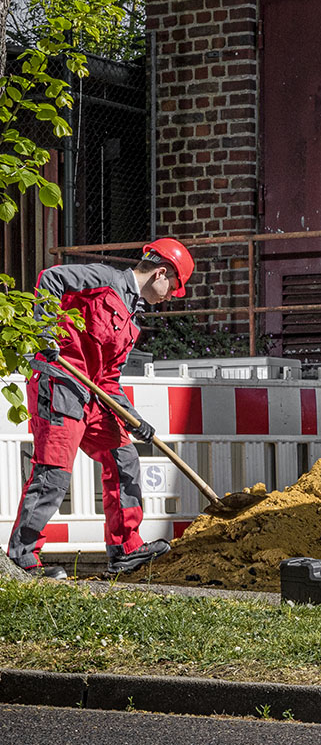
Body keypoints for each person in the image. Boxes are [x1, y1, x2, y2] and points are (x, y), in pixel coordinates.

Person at [7, 238, 195, 579]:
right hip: (60, 382)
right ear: (161, 273)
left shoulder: (131, 318)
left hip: (91, 396)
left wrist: (134, 419)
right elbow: (51, 278)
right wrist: (46, 332)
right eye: (174, 288)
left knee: (124, 458)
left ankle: (126, 549)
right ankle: (22, 557)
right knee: (54, 473)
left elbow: (107, 379)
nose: (170, 297)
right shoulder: (102, 279)